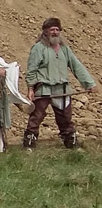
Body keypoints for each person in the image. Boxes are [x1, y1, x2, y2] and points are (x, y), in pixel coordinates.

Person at [23, 17, 98, 149]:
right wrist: (30, 88)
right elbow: (32, 69)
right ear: (45, 31)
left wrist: (89, 84)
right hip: (44, 88)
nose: (55, 32)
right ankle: (29, 145)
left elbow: (76, 66)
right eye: (52, 29)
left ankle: (71, 145)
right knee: (37, 116)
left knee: (65, 118)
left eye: (57, 30)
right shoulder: (38, 48)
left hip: (62, 89)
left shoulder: (64, 49)